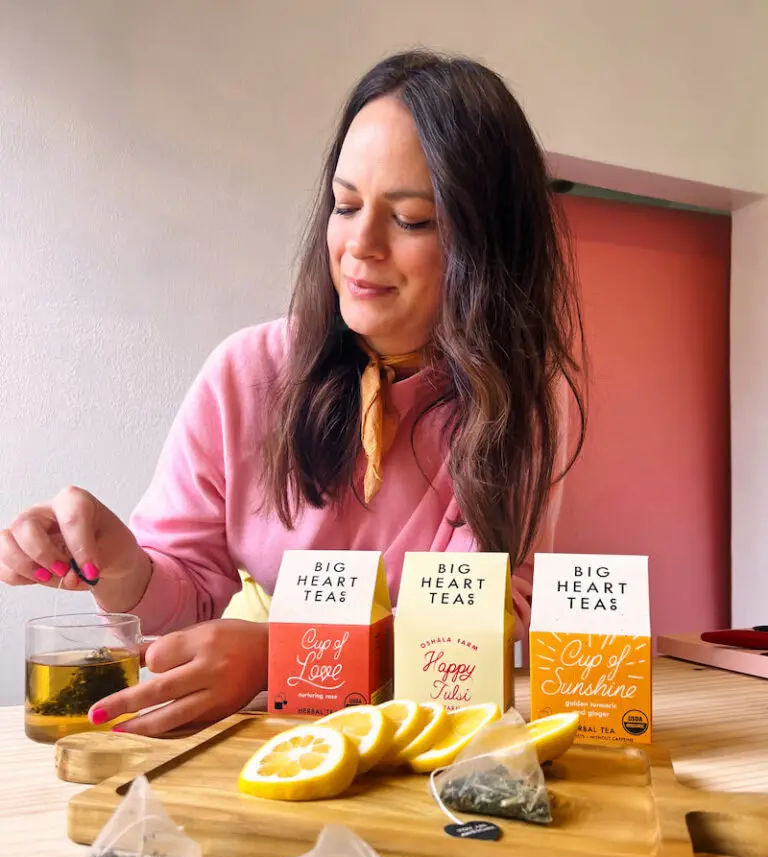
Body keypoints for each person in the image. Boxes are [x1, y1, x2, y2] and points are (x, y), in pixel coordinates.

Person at [1, 49, 586, 737]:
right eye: (345, 204)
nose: (359, 244)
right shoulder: (245, 374)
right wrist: (117, 562)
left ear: (489, 242)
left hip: (420, 737)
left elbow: (477, 613)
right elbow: (185, 601)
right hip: (266, 735)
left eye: (412, 219)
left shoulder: (522, 401)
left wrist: (285, 655)